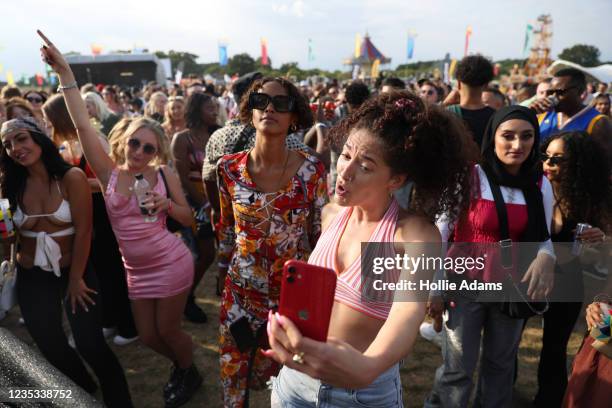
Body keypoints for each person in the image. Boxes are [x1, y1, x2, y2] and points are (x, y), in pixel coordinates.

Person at [265, 91, 475, 408]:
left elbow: (407, 312)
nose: (345, 172)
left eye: (365, 165)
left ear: (396, 179)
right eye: (346, 155)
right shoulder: (331, 214)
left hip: (360, 395)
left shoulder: (411, 235)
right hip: (294, 384)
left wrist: (370, 365)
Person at [39, 31, 202, 408]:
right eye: (135, 143)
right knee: (146, 336)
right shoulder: (110, 173)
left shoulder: (163, 175)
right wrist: (66, 73)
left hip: (171, 261)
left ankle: (187, 369)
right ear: (123, 141)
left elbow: (190, 220)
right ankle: (181, 364)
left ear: (157, 151)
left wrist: (167, 207)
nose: (141, 151)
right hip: (136, 269)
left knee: (168, 330)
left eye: (149, 147)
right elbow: (81, 124)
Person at [426, 106, 556, 408]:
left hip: (512, 288)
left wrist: (547, 257)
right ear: (492, 138)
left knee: (500, 367)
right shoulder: (467, 177)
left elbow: (544, 238)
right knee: (458, 368)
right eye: (508, 136)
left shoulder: (540, 184)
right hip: (464, 283)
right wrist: (434, 286)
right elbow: (440, 233)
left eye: (527, 137)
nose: (517, 145)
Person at [0, 117, 133, 407]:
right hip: (31, 273)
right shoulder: (8, 184)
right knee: (49, 345)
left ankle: (119, 400)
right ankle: (82, 386)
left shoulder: (70, 177)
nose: (16, 148)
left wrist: (76, 279)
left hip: (76, 269)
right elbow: (9, 237)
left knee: (90, 343)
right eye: (8, 144)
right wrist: (3, 225)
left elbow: (86, 231)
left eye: (21, 138)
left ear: (38, 138)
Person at [216, 76, 327, 407]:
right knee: (234, 377)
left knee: (285, 382)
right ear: (250, 111)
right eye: (261, 101)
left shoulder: (312, 172)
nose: (270, 109)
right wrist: (222, 272)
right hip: (239, 294)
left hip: (291, 301)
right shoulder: (228, 169)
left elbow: (320, 236)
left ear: (294, 116)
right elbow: (225, 230)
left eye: (281, 103)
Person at [43, 93, 139, 346]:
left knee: (112, 270)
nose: (48, 125)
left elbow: (113, 181)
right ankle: (108, 319)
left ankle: (128, 325)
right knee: (94, 270)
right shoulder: (62, 144)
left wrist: (75, 183)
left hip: (101, 212)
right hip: (80, 211)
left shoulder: (94, 140)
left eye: (49, 119)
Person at [534, 131, 611, 407]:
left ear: (577, 164)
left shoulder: (590, 198)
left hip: (568, 279)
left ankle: (547, 401)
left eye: (558, 160)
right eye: (545, 157)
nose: (548, 164)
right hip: (529, 277)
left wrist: (600, 238)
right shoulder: (532, 188)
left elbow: (605, 245)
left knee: (554, 348)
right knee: (506, 344)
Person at [171, 92, 218, 323]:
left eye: (216, 108)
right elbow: (182, 179)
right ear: (197, 110)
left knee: (218, 252)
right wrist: (205, 204)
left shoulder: (217, 134)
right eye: (210, 108)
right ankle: (186, 298)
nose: (215, 112)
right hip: (195, 203)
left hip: (218, 201)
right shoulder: (182, 139)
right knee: (205, 253)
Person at [532, 68, 610, 144]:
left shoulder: (598, 122)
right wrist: (528, 113)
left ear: (580, 91)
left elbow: (606, 156)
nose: (553, 97)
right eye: (550, 92)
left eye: (560, 92)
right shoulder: (541, 116)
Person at [444, 55, 496, 147]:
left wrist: (444, 104)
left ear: (459, 84)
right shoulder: (496, 117)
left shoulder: (446, 114)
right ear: (486, 85)